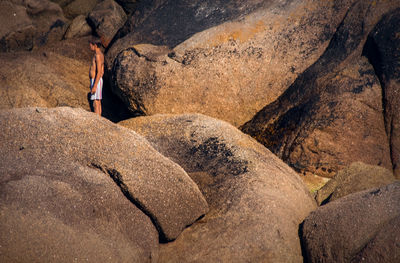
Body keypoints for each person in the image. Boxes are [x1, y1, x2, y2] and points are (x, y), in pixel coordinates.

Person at [89, 39, 104, 116]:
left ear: (95, 45)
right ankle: (99, 119)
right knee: (98, 101)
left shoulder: (97, 55)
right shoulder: (101, 54)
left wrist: (95, 86)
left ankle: (97, 120)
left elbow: (99, 72)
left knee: (95, 102)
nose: (89, 46)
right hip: (97, 81)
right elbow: (102, 70)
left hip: (96, 81)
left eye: (90, 45)